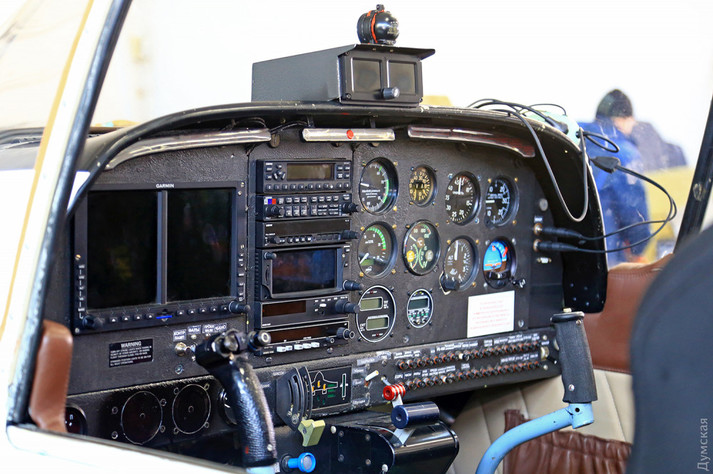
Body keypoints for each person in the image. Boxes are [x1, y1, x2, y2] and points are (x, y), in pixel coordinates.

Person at [580, 90, 651, 266]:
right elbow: (634, 212)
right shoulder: (624, 153)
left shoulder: (575, 140)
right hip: (605, 252)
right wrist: (638, 248)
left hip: (569, 247)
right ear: (622, 119)